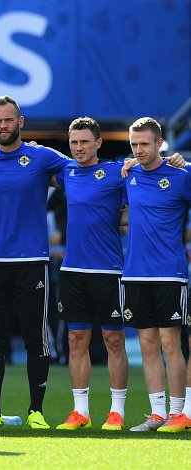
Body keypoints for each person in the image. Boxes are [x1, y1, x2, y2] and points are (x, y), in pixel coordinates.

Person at [0, 95, 70, 429]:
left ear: (20, 122)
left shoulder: (41, 156)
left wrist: (122, 166)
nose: (3, 126)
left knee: (35, 338)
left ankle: (36, 411)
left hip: (32, 262)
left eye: (9, 120)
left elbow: (81, 167)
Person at [52, 117, 130, 431]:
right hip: (72, 271)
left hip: (109, 270)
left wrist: (175, 159)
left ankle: (117, 411)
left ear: (98, 142)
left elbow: (151, 167)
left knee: (113, 341)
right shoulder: (66, 171)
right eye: (74, 142)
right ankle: (80, 412)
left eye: (85, 141)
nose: (79, 147)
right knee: (75, 340)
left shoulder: (118, 171)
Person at [122, 117, 191, 432]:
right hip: (135, 273)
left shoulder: (181, 175)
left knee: (169, 343)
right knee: (147, 343)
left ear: (159, 143)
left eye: (144, 144)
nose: (138, 150)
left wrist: (186, 162)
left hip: (169, 273)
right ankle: (157, 414)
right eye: (134, 144)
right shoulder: (129, 173)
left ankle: (179, 413)